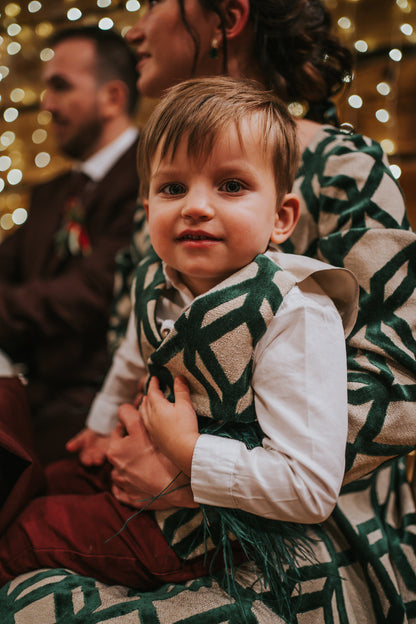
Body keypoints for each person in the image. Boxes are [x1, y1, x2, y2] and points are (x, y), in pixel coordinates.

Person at [1, 0, 416, 621]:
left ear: (228, 16)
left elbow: (394, 391)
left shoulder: (335, 182)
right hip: (153, 465)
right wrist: (112, 427)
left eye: (153, 4)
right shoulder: (169, 233)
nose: (133, 29)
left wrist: (189, 465)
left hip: (283, 518)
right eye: (172, 189)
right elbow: (134, 348)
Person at [0, 25, 140, 464]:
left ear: (112, 97)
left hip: (94, 411)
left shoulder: (156, 180)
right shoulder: (51, 193)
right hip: (33, 394)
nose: (46, 103)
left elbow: (89, 293)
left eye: (61, 87)